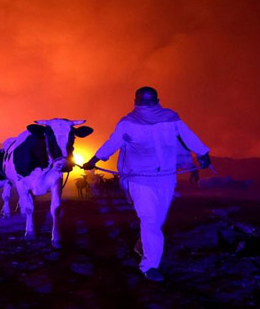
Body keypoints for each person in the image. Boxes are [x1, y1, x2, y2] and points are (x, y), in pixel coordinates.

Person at [82, 86, 211, 282]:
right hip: (140, 178)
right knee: (150, 220)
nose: (146, 105)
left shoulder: (171, 118)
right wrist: (94, 160)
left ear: (157, 100)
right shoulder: (128, 123)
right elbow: (112, 142)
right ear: (136, 102)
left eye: (149, 101)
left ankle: (142, 245)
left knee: (157, 220)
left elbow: (188, 136)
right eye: (144, 101)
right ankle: (150, 265)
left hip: (167, 178)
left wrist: (203, 153)